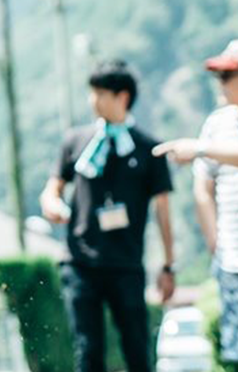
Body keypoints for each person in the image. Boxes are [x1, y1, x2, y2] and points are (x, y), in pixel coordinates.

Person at [40, 60, 176, 372]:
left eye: (100, 93)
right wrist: (52, 204)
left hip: (126, 265)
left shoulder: (148, 149)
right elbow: (52, 188)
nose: (93, 100)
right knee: (87, 350)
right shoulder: (75, 140)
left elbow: (163, 212)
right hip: (80, 263)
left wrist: (168, 265)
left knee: (137, 350)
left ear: (122, 97)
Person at [153, 40, 238, 369]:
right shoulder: (216, 124)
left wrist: (200, 147)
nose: (220, 84)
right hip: (230, 256)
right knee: (233, 349)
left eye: (227, 76)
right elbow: (202, 189)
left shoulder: (206, 141)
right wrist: (215, 239)